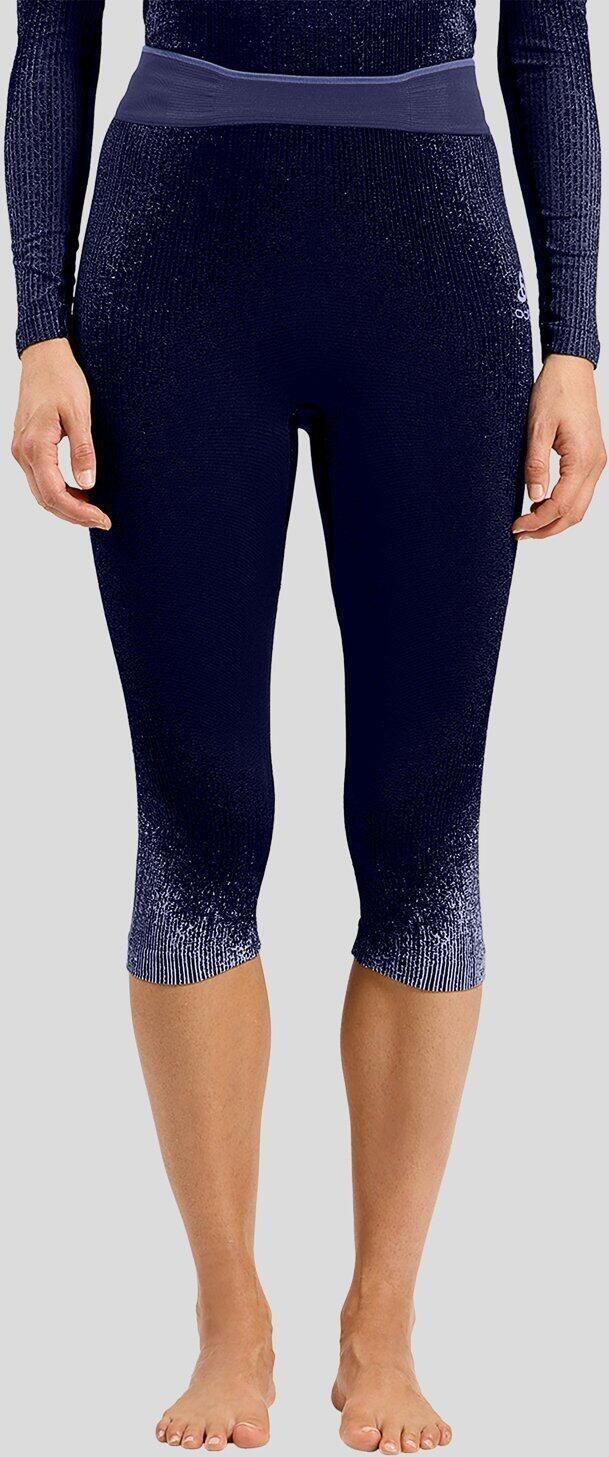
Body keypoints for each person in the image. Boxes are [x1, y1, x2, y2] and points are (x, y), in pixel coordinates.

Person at [5, 2, 605, 1452]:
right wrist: (39, 328)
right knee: (198, 814)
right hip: (172, 265)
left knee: (422, 822)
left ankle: (381, 1324)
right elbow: (51, 39)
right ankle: (230, 1316)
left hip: (435, 270)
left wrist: (576, 343)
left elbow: (546, 44)